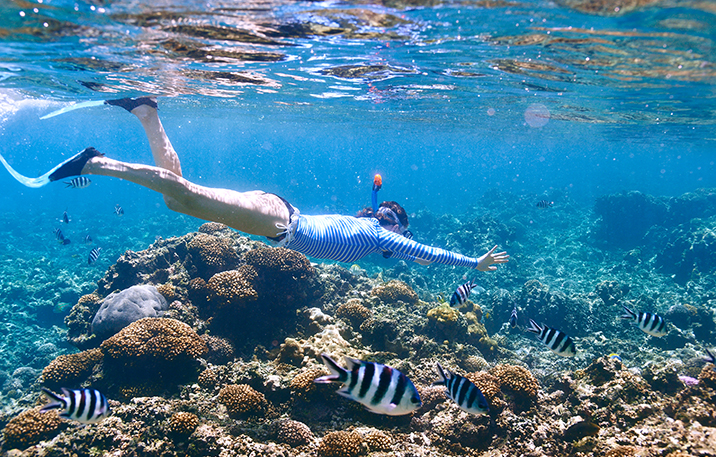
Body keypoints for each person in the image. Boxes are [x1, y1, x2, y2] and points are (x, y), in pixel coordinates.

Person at [0, 97, 509, 271]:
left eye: (391, 220)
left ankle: (147, 114)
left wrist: (381, 210)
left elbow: (397, 239)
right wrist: (474, 263)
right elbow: (424, 253)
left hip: (278, 216)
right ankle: (96, 163)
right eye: (392, 219)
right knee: (187, 196)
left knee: (180, 198)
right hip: (279, 221)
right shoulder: (379, 234)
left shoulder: (370, 229)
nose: (389, 223)